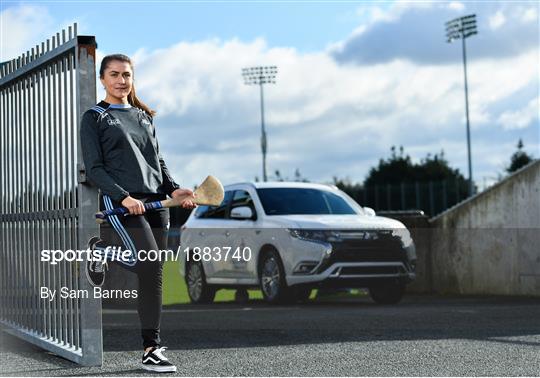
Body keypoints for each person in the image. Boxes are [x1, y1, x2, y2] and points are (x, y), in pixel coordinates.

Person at [80, 53, 195, 373]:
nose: (121, 81)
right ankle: (100, 250)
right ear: (102, 79)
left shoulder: (144, 116)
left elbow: (157, 161)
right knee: (149, 263)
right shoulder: (95, 116)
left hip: (157, 203)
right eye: (114, 74)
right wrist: (123, 196)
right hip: (122, 203)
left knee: (154, 272)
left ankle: (151, 349)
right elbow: (94, 168)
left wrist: (174, 190)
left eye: (126, 75)